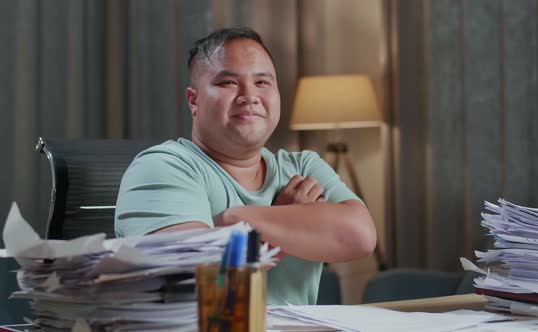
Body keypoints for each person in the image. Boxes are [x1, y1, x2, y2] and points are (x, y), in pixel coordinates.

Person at [114, 27, 376, 305]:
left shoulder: (304, 166)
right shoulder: (163, 166)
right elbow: (193, 279)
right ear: (194, 100)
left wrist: (237, 221)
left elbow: (360, 236)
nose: (249, 95)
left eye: (262, 83)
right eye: (228, 83)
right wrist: (283, 218)